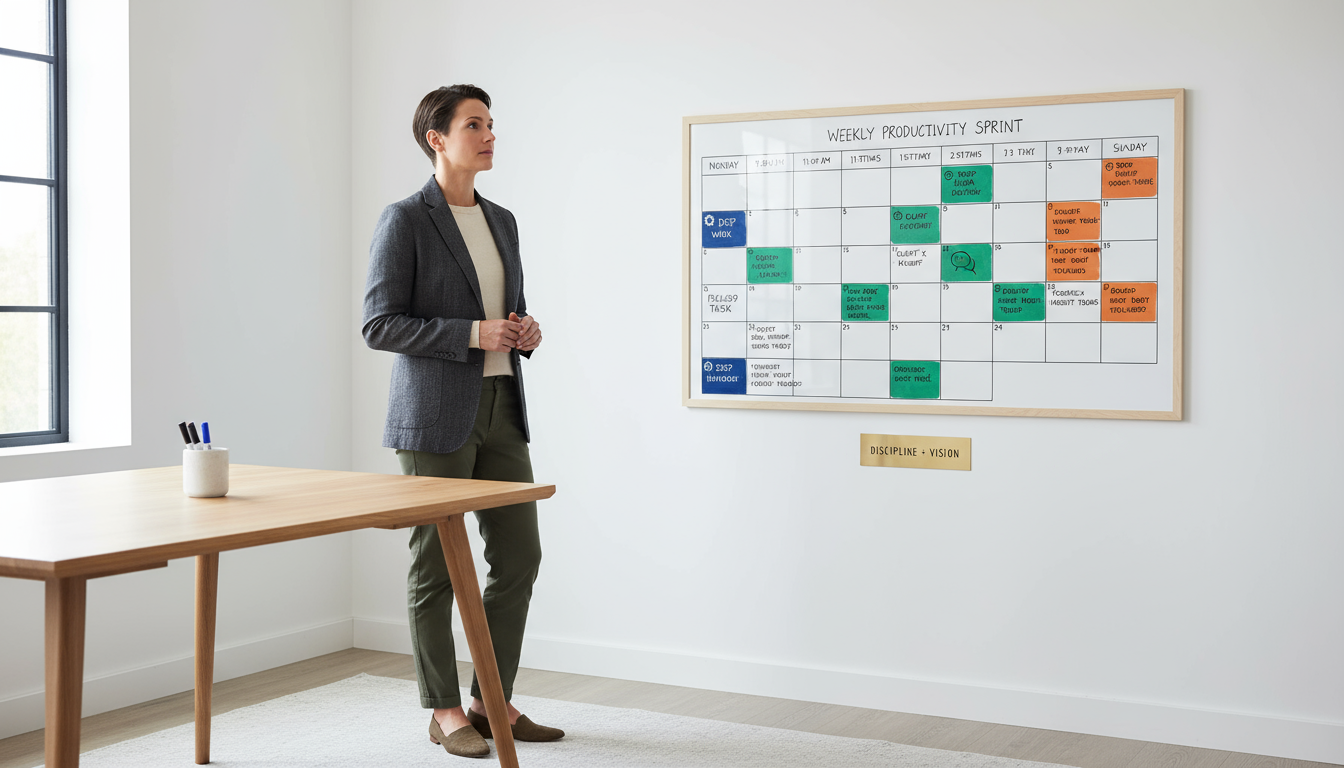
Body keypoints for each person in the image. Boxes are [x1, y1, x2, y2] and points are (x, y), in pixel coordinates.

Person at [362, 84, 562, 759]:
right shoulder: (405, 220)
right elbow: (379, 324)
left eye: (491, 124)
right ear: (436, 138)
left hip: (504, 407)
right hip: (434, 419)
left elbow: (507, 315)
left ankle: (491, 700)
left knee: (519, 556)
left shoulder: (502, 219)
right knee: (435, 569)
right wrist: (471, 334)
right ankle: (444, 709)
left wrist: (523, 330)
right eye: (474, 124)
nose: (489, 135)